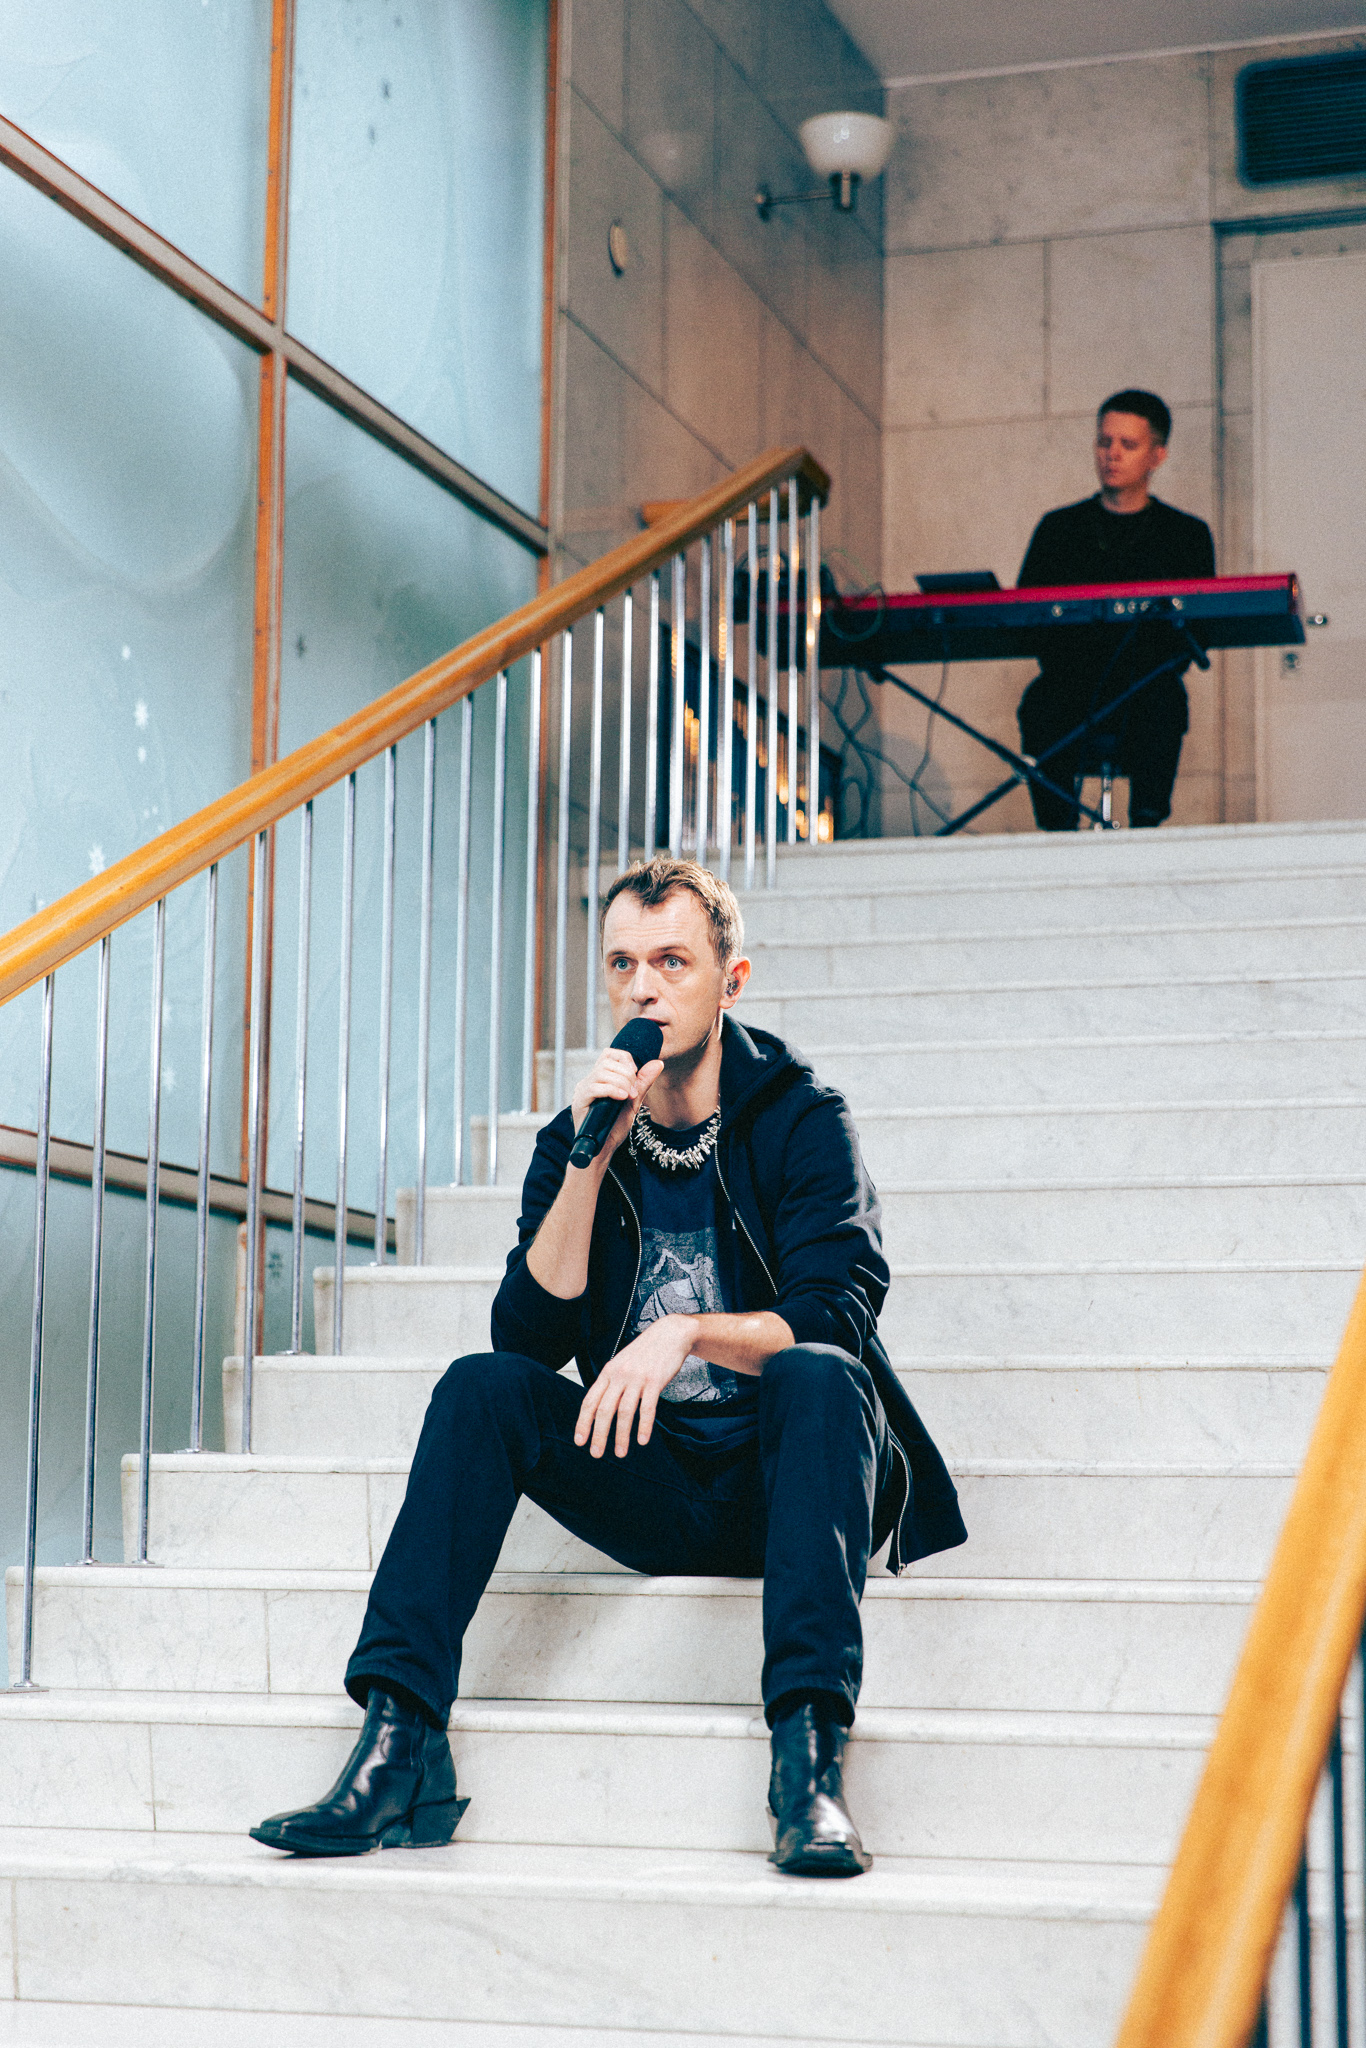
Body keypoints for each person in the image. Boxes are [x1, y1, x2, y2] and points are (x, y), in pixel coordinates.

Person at [250, 855, 966, 1877]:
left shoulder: (802, 1118)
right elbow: (526, 1338)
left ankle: (807, 1765)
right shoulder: (579, 1136)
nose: (643, 988)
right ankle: (397, 1744)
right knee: (477, 1388)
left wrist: (685, 1331)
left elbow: (835, 1316)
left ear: (730, 980)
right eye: (623, 964)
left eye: (672, 961)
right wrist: (590, 1160)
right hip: (655, 1481)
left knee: (819, 1374)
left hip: (787, 1488)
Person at [1016, 389, 1215, 830]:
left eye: (1128, 444)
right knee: (1041, 702)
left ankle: (1145, 829)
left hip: (1146, 682)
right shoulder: (1058, 529)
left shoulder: (1186, 535)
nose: (1112, 454)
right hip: (1070, 681)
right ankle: (1057, 833)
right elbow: (1027, 614)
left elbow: (1195, 629)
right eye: (1104, 442)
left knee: (1165, 700)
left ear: (1157, 455)